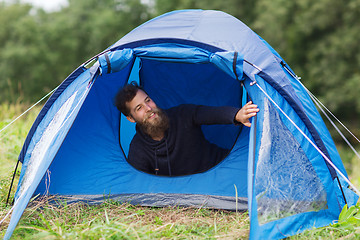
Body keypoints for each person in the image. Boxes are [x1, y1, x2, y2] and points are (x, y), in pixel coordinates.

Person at [115, 83, 259, 176]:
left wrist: (236, 115)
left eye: (147, 100)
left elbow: (210, 114)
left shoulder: (182, 114)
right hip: (190, 192)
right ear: (131, 118)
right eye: (139, 108)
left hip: (221, 170)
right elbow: (139, 185)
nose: (148, 108)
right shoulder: (138, 149)